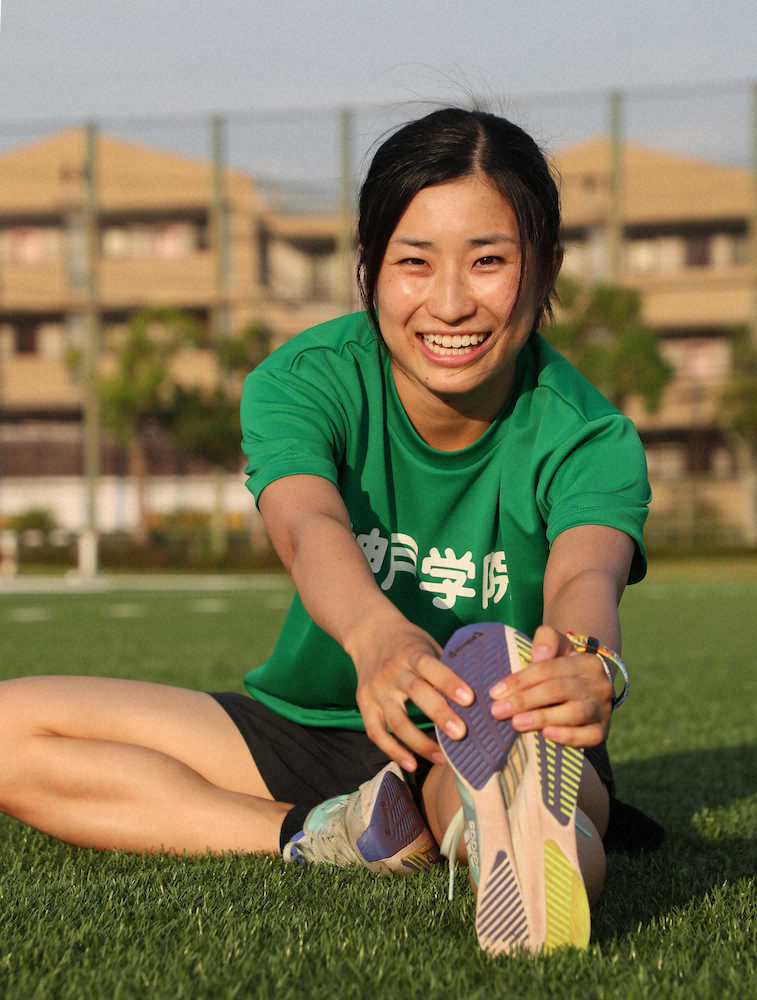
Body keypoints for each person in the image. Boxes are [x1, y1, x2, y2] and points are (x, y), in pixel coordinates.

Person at [0, 107, 658, 957]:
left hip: (495, 722)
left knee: (500, 785)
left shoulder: (588, 435)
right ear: (369, 269)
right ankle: (324, 832)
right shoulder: (305, 382)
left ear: (546, 269)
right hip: (311, 721)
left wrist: (585, 661)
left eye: (489, 261)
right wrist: (376, 638)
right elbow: (308, 524)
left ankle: (515, 836)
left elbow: (585, 578)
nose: (450, 303)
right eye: (412, 263)